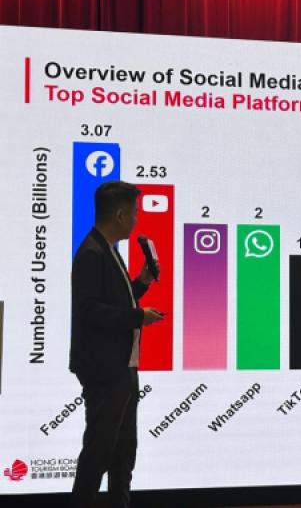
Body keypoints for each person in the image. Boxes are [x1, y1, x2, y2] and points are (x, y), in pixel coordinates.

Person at [69, 181, 165, 508]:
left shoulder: (108, 250)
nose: (137, 220)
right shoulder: (92, 253)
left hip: (123, 366)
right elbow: (89, 310)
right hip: (105, 369)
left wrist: (142, 282)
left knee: (124, 452)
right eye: (134, 213)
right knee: (99, 452)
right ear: (120, 215)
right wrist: (138, 317)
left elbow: (116, 303)